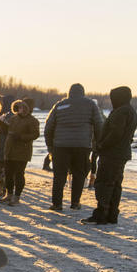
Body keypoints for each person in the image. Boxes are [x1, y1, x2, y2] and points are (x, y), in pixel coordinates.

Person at [83, 86, 137, 225]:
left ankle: (102, 214)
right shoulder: (130, 112)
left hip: (112, 154)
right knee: (114, 184)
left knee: (104, 183)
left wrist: (102, 145)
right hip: (121, 153)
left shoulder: (120, 113)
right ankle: (112, 214)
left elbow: (116, 134)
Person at [44, 83, 103, 211]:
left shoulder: (59, 105)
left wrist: (50, 145)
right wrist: (98, 143)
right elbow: (99, 125)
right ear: (83, 92)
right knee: (79, 174)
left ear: (69, 92)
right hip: (82, 146)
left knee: (59, 175)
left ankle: (57, 204)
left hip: (60, 146)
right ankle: (75, 203)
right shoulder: (91, 105)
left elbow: (48, 127)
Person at [0, 99, 40, 206]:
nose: (19, 109)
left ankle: (17, 197)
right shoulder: (13, 118)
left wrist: (21, 137)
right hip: (9, 149)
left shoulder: (32, 120)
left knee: (19, 174)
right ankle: (9, 194)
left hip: (22, 151)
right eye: (18, 107)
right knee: (8, 174)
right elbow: (7, 131)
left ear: (26, 109)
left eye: (21, 107)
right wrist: (1, 123)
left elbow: (35, 134)